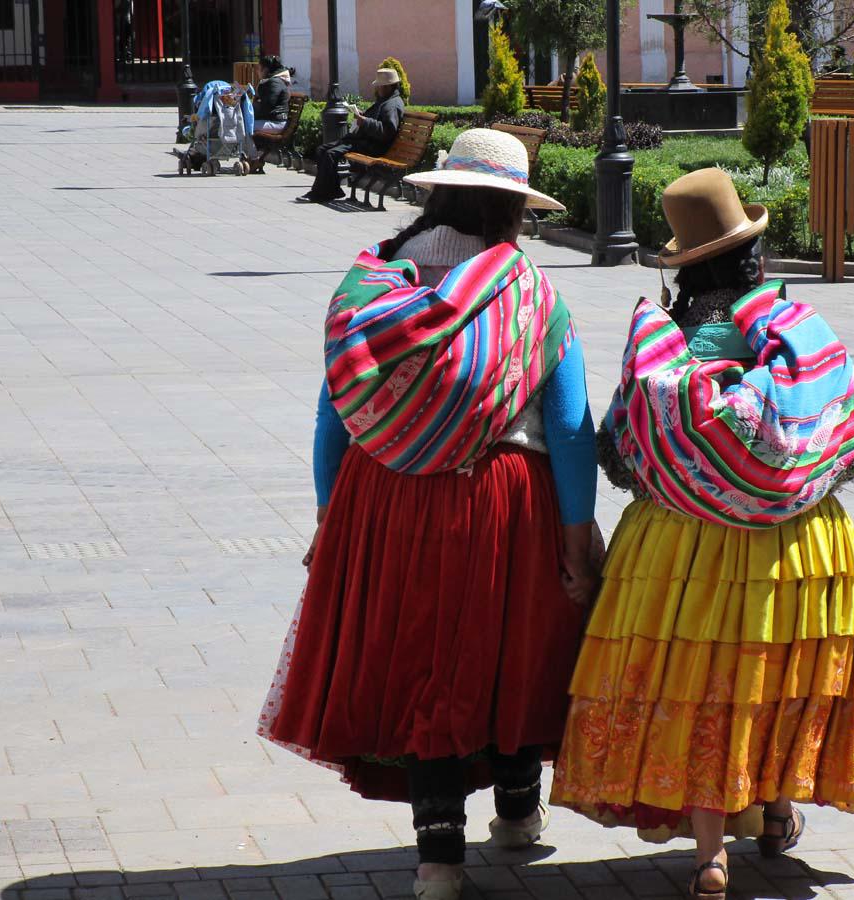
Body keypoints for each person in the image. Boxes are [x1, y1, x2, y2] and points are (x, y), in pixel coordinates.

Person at [260, 129, 600, 900]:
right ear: (513, 211)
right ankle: (517, 813)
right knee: (508, 652)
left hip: (385, 497)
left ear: (437, 192)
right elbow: (573, 428)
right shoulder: (533, 296)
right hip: (502, 500)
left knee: (421, 662)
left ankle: (437, 859)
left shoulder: (372, 288)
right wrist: (577, 539)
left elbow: (333, 417)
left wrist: (328, 517)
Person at [550, 169, 854, 900]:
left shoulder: (663, 343)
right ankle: (775, 816)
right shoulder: (800, 332)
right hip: (796, 547)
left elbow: (618, 451)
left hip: (679, 549)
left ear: (687, 264)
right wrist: (778, 479)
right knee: (777, 680)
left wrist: (698, 476)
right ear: (752, 257)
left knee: (705, 688)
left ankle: (712, 855)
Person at [297, 67, 405, 204]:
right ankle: (333, 190)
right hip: (365, 142)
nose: (377, 89)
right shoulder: (386, 100)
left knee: (330, 154)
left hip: (373, 147)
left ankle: (319, 193)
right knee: (322, 150)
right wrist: (364, 116)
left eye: (380, 86)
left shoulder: (392, 105)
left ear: (389, 86)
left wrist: (365, 121)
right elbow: (377, 121)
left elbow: (386, 131)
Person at [248, 55, 293, 174]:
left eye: (259, 68)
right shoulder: (273, 81)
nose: (257, 71)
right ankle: (253, 157)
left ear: (266, 69)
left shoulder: (275, 82)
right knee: (244, 125)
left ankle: (254, 158)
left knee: (245, 128)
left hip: (276, 123)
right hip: (274, 120)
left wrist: (255, 103)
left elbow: (267, 106)